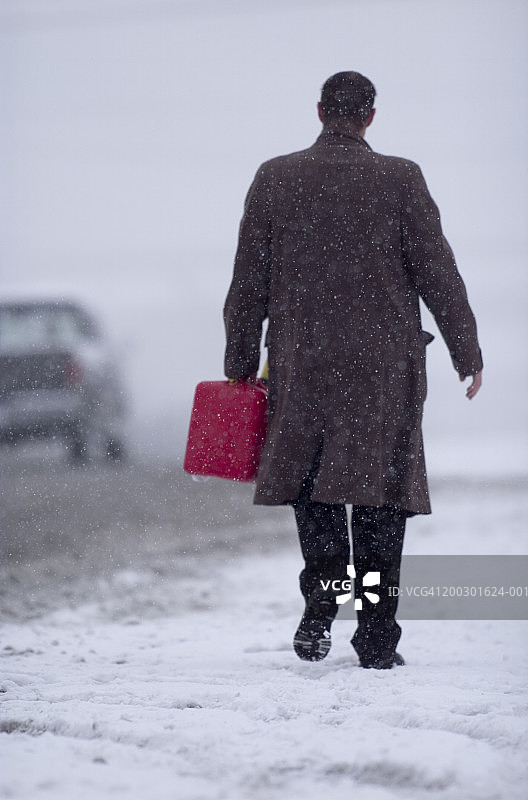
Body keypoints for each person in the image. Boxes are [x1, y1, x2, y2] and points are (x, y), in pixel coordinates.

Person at [223, 71, 483, 669]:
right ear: (370, 116)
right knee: (380, 504)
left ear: (320, 110)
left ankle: (322, 600)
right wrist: (465, 351)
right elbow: (438, 273)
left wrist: (240, 363)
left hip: (302, 366)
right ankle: (375, 635)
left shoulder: (275, 177)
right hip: (382, 373)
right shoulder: (400, 178)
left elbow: (247, 284)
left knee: (313, 493)